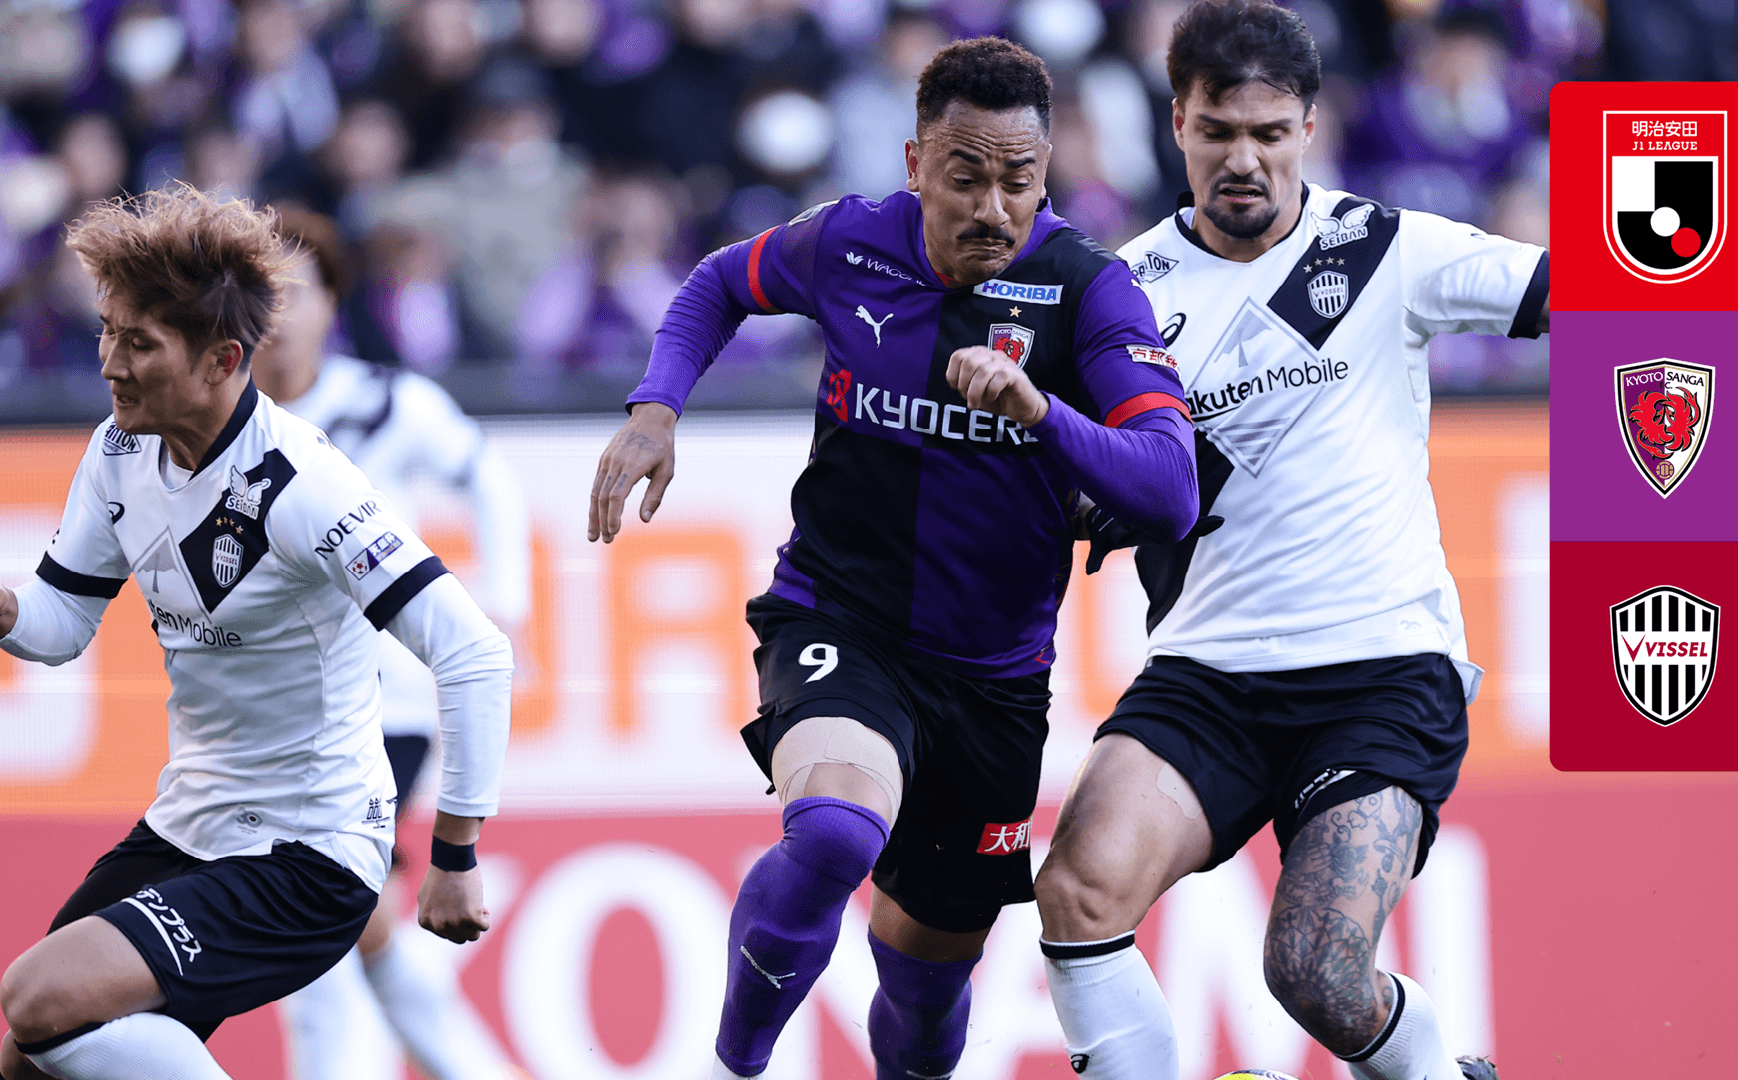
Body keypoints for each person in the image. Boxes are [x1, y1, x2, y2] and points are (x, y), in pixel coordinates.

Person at [588, 37, 1200, 1080]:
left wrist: (1043, 414)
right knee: (834, 834)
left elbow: (1170, 488)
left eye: (1019, 181)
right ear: (917, 164)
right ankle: (733, 1065)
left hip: (993, 681)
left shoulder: (1088, 291)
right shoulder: (849, 242)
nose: (994, 208)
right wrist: (656, 408)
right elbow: (716, 284)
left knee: (923, 1000)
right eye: (966, 178)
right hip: (840, 619)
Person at [1031, 4, 1548, 1080]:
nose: (1244, 159)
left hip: (1378, 671)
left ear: (1309, 127)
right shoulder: (1119, 291)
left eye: (1270, 133)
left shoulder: (1387, 250)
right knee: (1076, 891)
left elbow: (1619, 293)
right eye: (1219, 130)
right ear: (1178, 122)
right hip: (1206, 677)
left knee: (1313, 972)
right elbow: (1065, 481)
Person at [0, 185, 513, 1080]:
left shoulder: (305, 483)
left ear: (221, 360)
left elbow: (474, 651)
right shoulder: (120, 450)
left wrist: (455, 855)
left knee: (37, 994)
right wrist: (6, 609)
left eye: (139, 343)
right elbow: (65, 621)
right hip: (192, 822)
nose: (109, 364)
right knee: (32, 1058)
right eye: (107, 333)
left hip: (310, 853)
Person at [250, 206, 530, 1080]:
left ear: (333, 303)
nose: (279, 314)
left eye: (297, 292)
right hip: (271, 709)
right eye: (261, 296)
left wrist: (504, 606)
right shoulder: (215, 420)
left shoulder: (383, 403)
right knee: (351, 915)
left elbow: (488, 477)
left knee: (317, 904)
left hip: (384, 699)